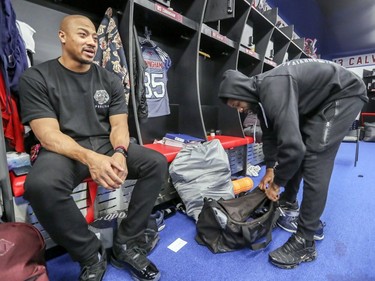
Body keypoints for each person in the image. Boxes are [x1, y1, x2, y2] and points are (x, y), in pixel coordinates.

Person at [18, 15, 168, 281]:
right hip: (64, 149)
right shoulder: (36, 77)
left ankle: (126, 243)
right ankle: (90, 254)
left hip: (104, 143)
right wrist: (91, 159)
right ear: (62, 36)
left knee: (155, 163)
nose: (91, 42)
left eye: (95, 38)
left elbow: (120, 125)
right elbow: (48, 134)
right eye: (83, 35)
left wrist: (121, 152)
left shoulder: (110, 79)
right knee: (40, 185)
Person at [218, 58, 368, 269]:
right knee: (302, 144)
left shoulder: (272, 88)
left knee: (315, 156)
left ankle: (305, 240)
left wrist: (277, 184)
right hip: (320, 99)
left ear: (241, 92)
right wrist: (270, 168)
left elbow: (293, 149)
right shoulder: (259, 95)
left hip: (344, 93)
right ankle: (289, 203)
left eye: (237, 105)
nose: (240, 110)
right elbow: (270, 134)